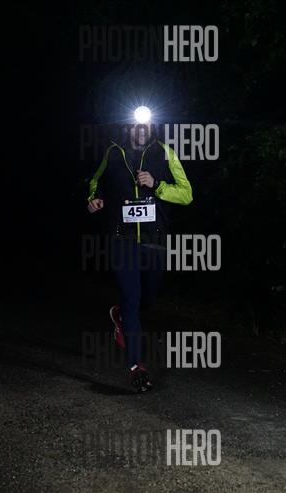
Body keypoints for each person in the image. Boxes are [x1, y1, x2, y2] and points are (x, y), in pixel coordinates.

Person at [86, 122, 193, 392]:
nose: (140, 131)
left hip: (153, 242)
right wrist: (94, 197)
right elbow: (96, 181)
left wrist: (156, 184)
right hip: (122, 241)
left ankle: (121, 317)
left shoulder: (165, 153)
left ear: (152, 128)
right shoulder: (113, 152)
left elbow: (187, 194)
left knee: (148, 298)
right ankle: (137, 367)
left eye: (145, 126)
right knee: (131, 299)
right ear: (129, 129)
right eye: (135, 126)